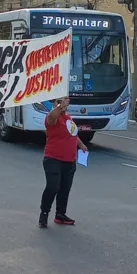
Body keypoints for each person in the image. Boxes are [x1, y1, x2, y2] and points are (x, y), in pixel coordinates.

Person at [40, 97, 88, 228]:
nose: (62, 104)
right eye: (58, 101)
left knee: (64, 189)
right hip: (53, 159)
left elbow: (73, 134)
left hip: (69, 160)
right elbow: (52, 116)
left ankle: (60, 215)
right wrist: (60, 106)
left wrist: (81, 145)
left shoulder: (68, 118)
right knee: (53, 187)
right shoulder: (51, 118)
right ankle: (44, 213)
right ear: (54, 104)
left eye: (64, 102)